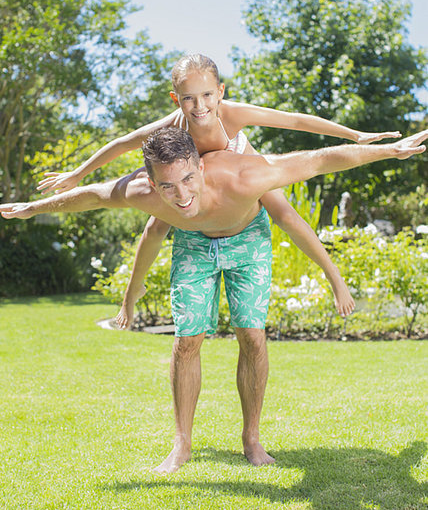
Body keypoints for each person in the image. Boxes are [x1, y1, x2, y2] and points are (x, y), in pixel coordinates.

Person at [2, 127, 426, 474]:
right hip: (193, 245)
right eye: (167, 186)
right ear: (152, 184)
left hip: (248, 241)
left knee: (253, 336)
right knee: (187, 339)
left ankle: (252, 439)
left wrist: (391, 151)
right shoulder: (140, 193)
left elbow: (317, 160)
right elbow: (91, 196)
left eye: (189, 179)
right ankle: (182, 444)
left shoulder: (245, 175)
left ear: (201, 167)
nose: (182, 195)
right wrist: (31, 209)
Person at [36, 54, 402, 328]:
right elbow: (123, 142)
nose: (200, 107)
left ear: (220, 92)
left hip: (238, 160)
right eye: (188, 98)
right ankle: (132, 295)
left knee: (284, 213)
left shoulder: (232, 113)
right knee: (155, 226)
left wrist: (356, 135)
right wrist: (77, 173)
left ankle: (334, 278)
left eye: (207, 95)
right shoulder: (175, 122)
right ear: (175, 98)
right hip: (195, 177)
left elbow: (295, 121)